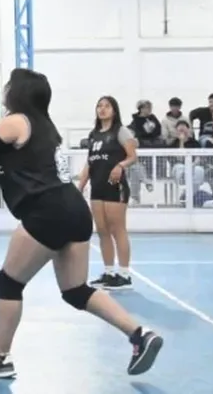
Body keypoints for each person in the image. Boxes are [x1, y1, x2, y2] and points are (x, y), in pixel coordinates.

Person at [0, 69, 163, 379]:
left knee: (9, 283)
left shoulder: (16, 120)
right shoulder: (46, 126)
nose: (7, 89)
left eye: (10, 85)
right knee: (75, 291)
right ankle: (139, 334)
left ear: (19, 92)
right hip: (75, 210)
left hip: (46, 211)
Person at [77, 96, 138, 290]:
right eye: (99, 106)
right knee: (102, 230)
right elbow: (90, 162)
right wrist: (80, 186)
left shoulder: (120, 131)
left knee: (117, 229)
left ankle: (124, 274)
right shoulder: (94, 135)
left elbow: (132, 157)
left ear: (114, 110)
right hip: (97, 187)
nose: (102, 109)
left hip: (115, 187)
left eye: (107, 106)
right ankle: (109, 271)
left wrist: (120, 165)